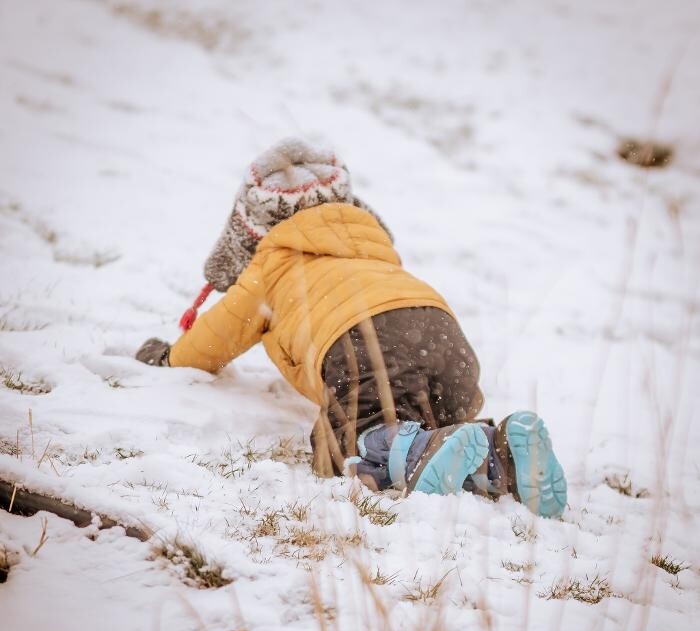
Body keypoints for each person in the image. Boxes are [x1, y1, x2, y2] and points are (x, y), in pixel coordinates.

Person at [136, 138, 567, 518]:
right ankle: (501, 452)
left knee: (344, 444)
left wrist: (170, 357)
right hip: (444, 335)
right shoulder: (371, 246)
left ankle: (406, 448)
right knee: (434, 424)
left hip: (364, 340)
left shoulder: (273, 262)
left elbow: (218, 334)